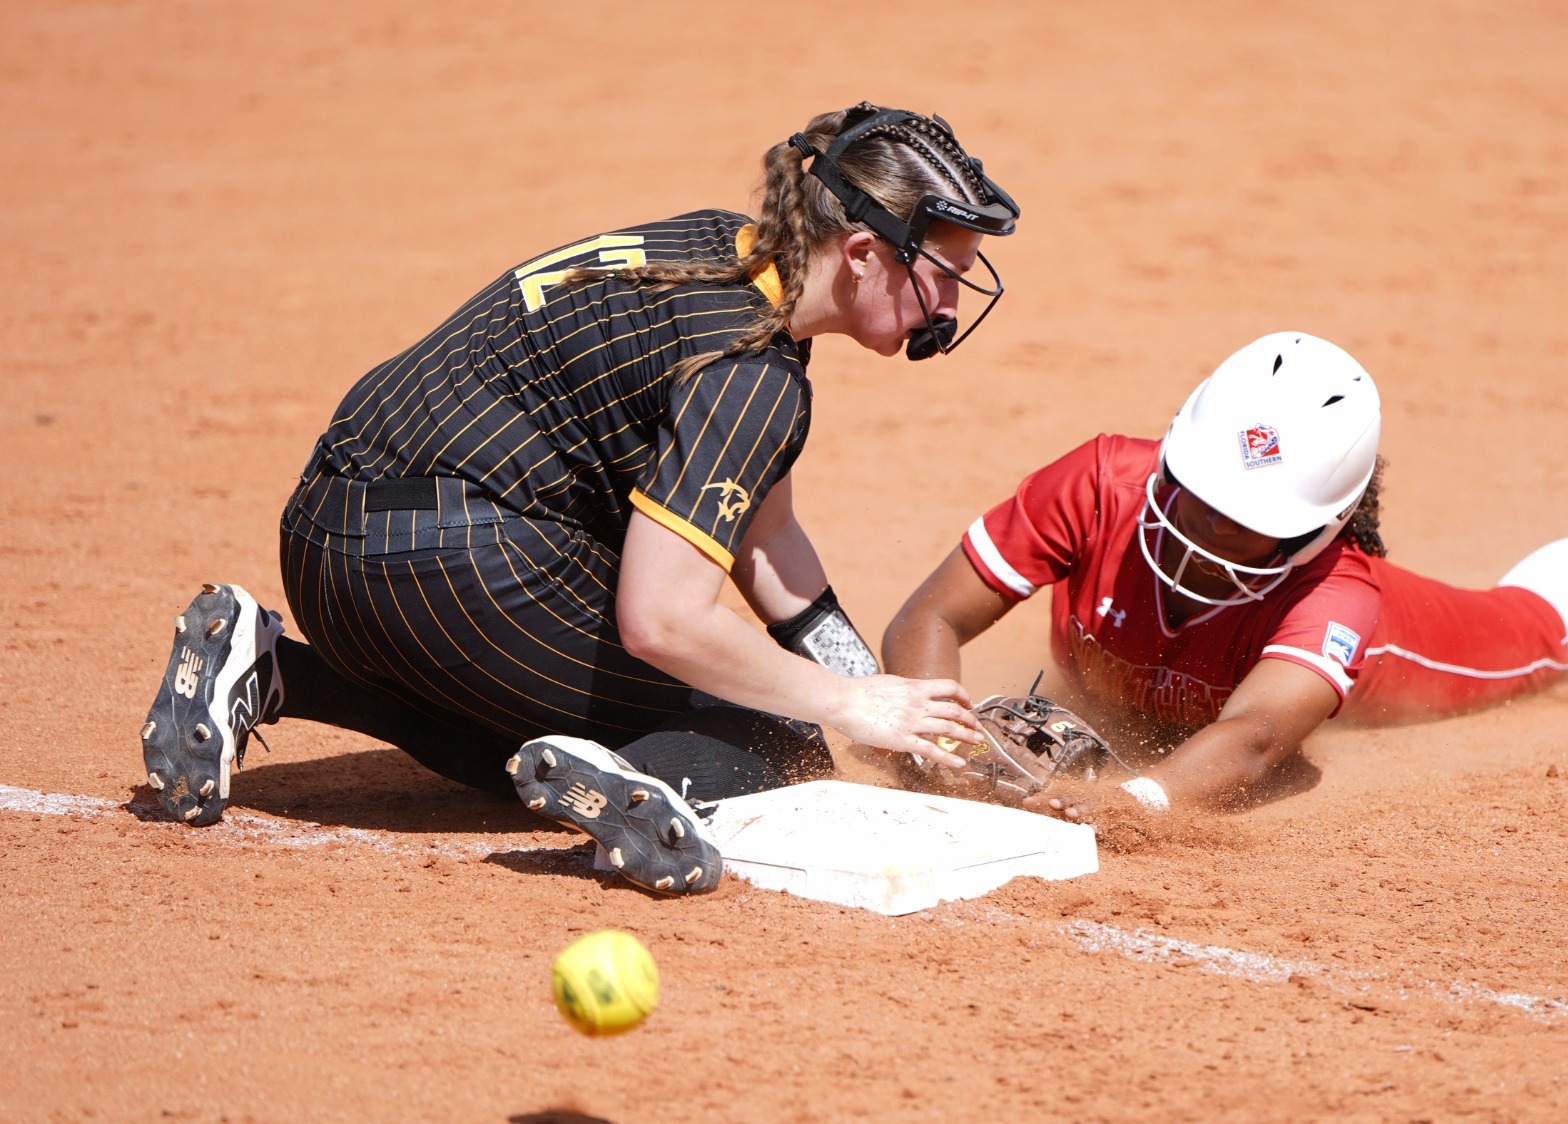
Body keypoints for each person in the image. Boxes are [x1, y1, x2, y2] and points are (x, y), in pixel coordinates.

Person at [141, 103, 1015, 895]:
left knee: (690, 699)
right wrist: (843, 707)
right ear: (861, 254)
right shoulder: (751, 372)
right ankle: (635, 775)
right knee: (770, 741)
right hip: (453, 575)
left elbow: (766, 539)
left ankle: (274, 667)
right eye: (943, 273)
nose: (949, 303)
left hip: (326, 545)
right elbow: (662, 623)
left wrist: (880, 700)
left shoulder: (723, 253)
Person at [880, 331, 1568, 822]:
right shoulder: (1096, 482)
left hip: (1392, 650)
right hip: (1167, 698)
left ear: (1319, 529)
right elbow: (931, 618)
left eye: (1246, 520)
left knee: (1525, 631)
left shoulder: (1340, 595)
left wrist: (1128, 805)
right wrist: (936, 740)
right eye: (1198, 493)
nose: (1204, 530)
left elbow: (1252, 741)